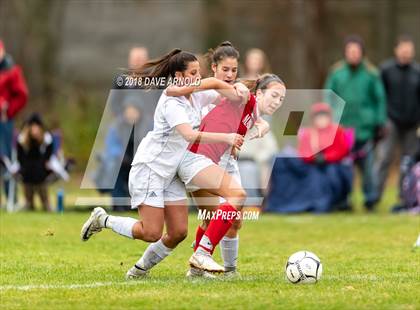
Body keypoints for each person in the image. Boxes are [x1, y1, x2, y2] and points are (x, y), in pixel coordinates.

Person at [80, 49, 247, 280]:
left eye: (199, 72)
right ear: (179, 75)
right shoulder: (171, 102)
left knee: (178, 232)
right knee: (150, 232)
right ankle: (103, 219)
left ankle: (138, 271)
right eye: (193, 73)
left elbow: (221, 92)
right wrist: (226, 138)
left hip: (172, 171)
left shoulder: (194, 95)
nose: (198, 76)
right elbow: (189, 135)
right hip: (151, 168)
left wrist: (240, 88)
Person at [182, 72, 286, 278]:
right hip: (197, 159)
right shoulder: (243, 96)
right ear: (260, 92)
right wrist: (186, 89)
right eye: (274, 96)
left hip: (208, 162)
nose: (277, 102)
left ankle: (211, 271)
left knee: (232, 219)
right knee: (237, 197)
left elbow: (249, 123)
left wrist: (260, 125)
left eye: (281, 99)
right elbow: (220, 86)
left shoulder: (254, 112)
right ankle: (202, 253)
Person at [324, 35, 386, 211]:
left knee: (368, 168)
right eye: (350, 51)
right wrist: (328, 119)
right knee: (343, 168)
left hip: (365, 130)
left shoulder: (371, 74)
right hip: (342, 129)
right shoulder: (336, 73)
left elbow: (380, 99)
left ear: (362, 53)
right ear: (345, 53)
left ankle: (371, 199)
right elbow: (328, 96)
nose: (353, 54)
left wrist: (380, 122)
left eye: (356, 51)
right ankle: (343, 200)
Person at [266, 103, 352, 213]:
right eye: (318, 116)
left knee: (332, 175)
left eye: (324, 116)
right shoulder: (309, 133)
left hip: (333, 165)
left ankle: (337, 202)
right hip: (313, 165)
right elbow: (303, 151)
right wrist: (313, 157)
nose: (321, 119)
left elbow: (342, 150)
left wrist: (326, 157)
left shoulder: (337, 131)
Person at [375, 35, 420, 205]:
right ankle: (375, 196)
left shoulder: (417, 72)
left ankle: (405, 197)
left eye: (409, 50)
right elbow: (379, 97)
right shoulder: (386, 70)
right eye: (403, 49)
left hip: (412, 124)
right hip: (391, 121)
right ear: (396, 50)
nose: (406, 53)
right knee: (384, 158)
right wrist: (381, 120)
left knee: (407, 161)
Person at [0, 39, 28, 207]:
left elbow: (22, 95)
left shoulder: (12, 71)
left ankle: (12, 199)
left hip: (4, 122)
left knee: (6, 160)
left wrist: (8, 109)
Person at [16, 114, 53, 211]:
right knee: (28, 172)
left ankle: (45, 202)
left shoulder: (46, 138)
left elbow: (47, 155)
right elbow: (20, 157)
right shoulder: (22, 139)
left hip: (40, 168)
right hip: (27, 168)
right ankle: (28, 202)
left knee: (39, 172)